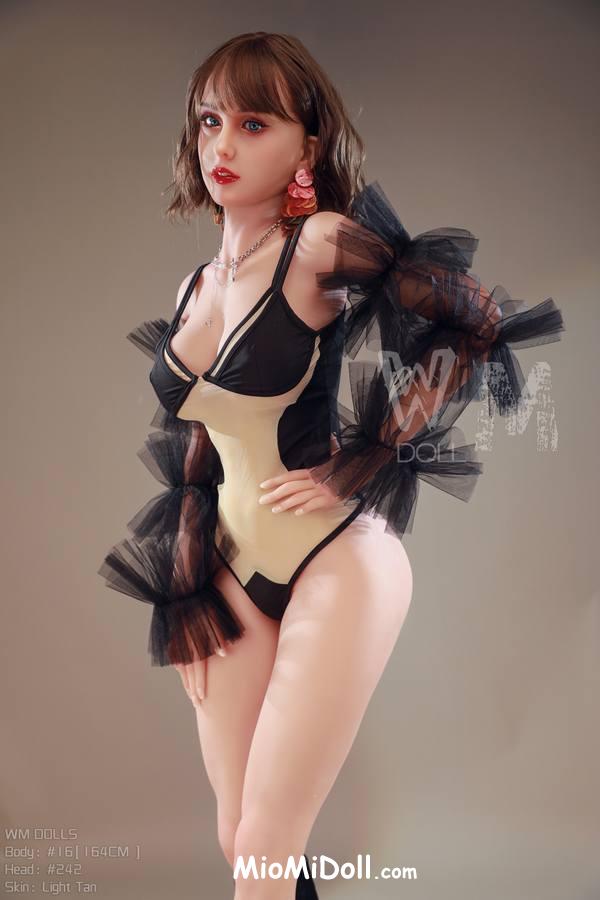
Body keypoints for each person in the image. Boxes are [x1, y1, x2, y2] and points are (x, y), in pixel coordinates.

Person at [98, 31, 565, 900]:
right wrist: (187, 591)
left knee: (267, 843)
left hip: (337, 559)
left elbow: (474, 318)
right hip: (233, 565)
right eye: (209, 121)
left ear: (305, 147)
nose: (222, 145)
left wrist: (363, 457)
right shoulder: (192, 289)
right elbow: (199, 447)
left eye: (254, 123)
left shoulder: (317, 245)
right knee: (239, 838)